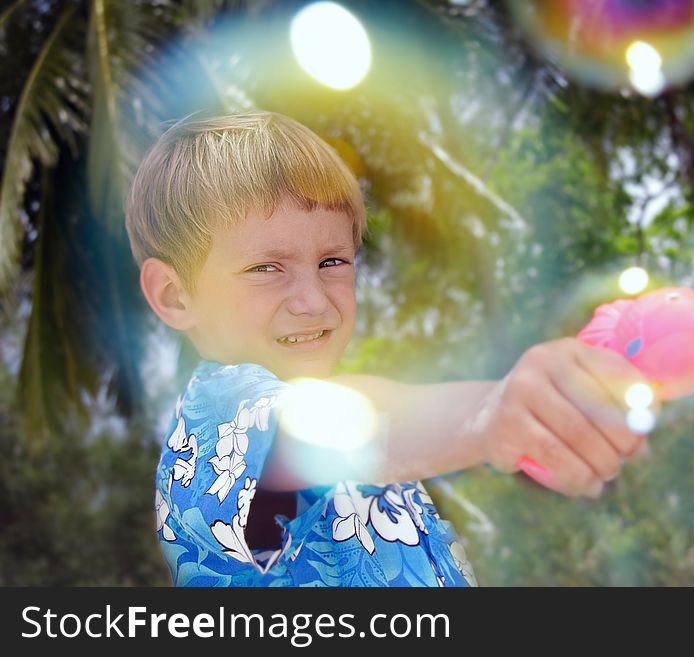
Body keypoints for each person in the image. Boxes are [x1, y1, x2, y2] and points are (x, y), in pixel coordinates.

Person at [127, 111, 653, 587]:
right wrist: (490, 413)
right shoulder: (217, 424)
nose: (313, 300)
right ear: (175, 297)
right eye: (267, 268)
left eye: (333, 261)